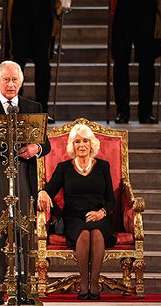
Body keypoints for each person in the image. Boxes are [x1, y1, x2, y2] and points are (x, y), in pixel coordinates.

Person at [0, 60, 51, 299]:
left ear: (21, 82)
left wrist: (36, 148)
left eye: (15, 80)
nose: (11, 84)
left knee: (24, 230)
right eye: (6, 79)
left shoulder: (33, 106)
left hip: (24, 175)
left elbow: (46, 143)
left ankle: (25, 289)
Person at [37, 123, 115, 301]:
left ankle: (94, 284)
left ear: (92, 144)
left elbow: (111, 198)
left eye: (85, 141)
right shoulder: (64, 167)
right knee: (84, 234)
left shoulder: (103, 166)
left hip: (99, 216)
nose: (82, 145)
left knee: (96, 232)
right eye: (77, 141)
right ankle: (84, 282)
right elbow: (48, 190)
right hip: (73, 217)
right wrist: (42, 192)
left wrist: (102, 212)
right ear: (72, 145)